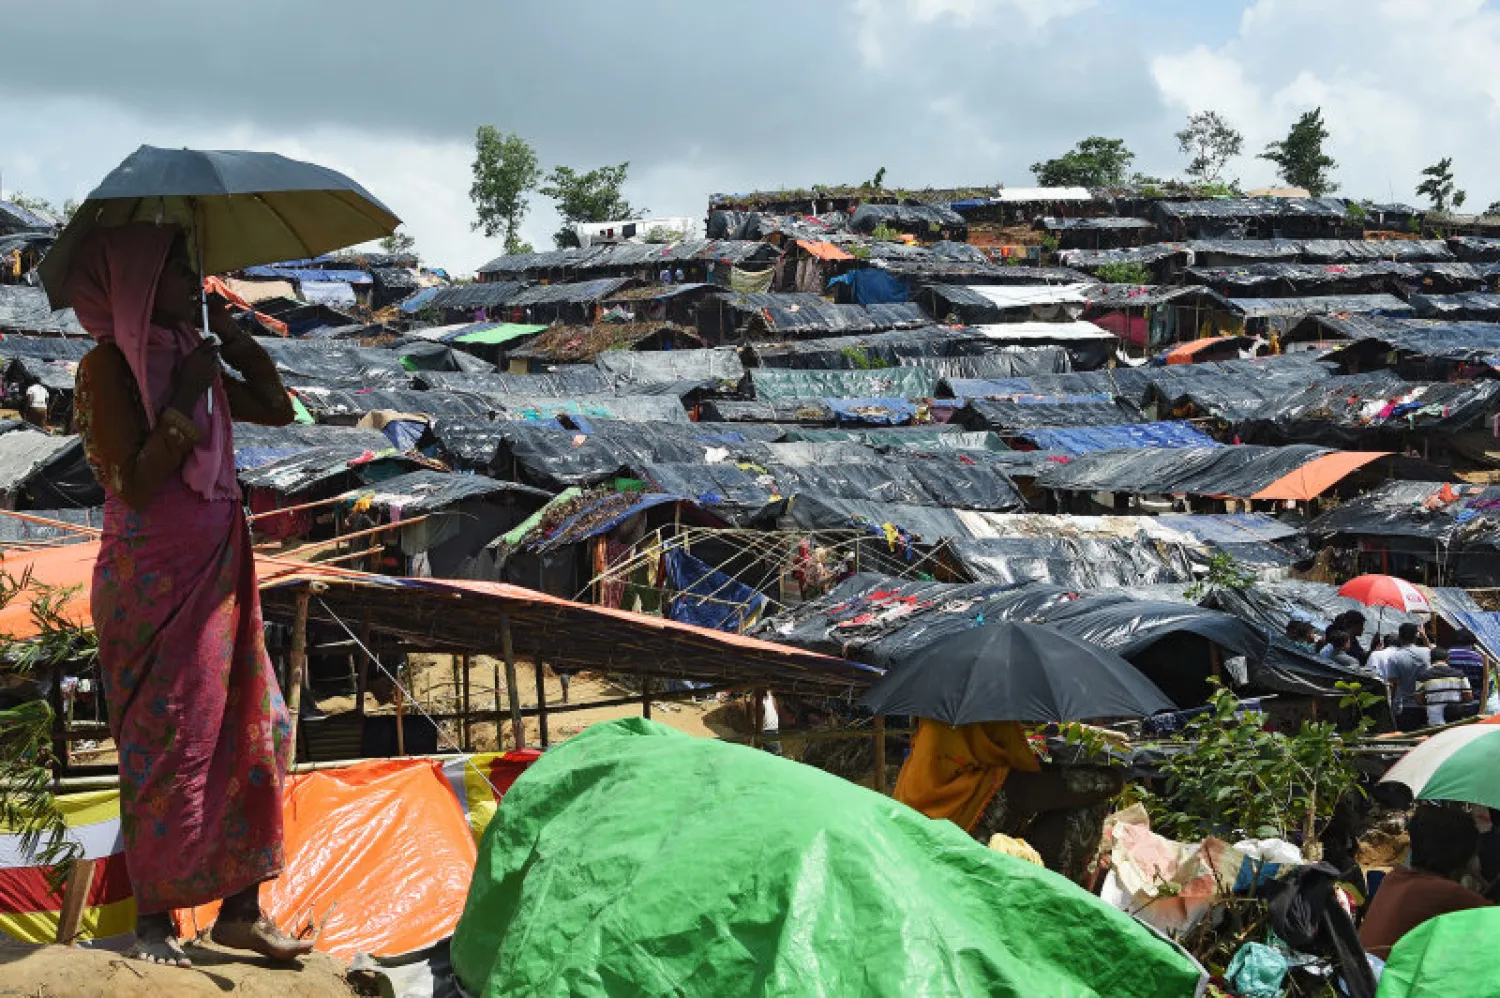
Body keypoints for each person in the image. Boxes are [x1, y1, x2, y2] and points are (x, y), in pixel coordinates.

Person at [69, 223, 311, 968]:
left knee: (255, 726)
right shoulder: (107, 371)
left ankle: (241, 911)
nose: (192, 283)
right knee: (166, 741)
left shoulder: (188, 354)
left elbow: (276, 408)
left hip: (217, 568)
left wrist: (235, 341)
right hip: (152, 583)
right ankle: (154, 921)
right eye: (179, 272)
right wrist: (182, 396)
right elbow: (136, 483)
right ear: (140, 285)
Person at [1359, 805, 1492, 959]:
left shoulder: (1394, 878)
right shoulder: (1446, 893)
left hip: (1360, 978)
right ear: (1463, 856)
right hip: (1386, 980)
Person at [1386, 622, 1434, 729]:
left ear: (1400, 636)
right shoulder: (1426, 652)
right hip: (1425, 704)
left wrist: (1392, 704)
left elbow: (1393, 683)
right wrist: (1424, 637)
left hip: (1404, 706)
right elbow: (1435, 654)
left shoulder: (1394, 657)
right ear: (1416, 636)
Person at [1415, 648, 1478, 727]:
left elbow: (1419, 701)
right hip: (1455, 720)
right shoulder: (1460, 675)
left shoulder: (1422, 677)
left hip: (1434, 721)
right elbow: (1469, 697)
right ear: (1447, 659)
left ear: (1431, 659)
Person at [1444, 629, 1488, 701]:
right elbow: (1484, 682)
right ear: (1472, 642)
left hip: (1450, 698)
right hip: (1474, 700)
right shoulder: (1479, 658)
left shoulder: (1445, 655)